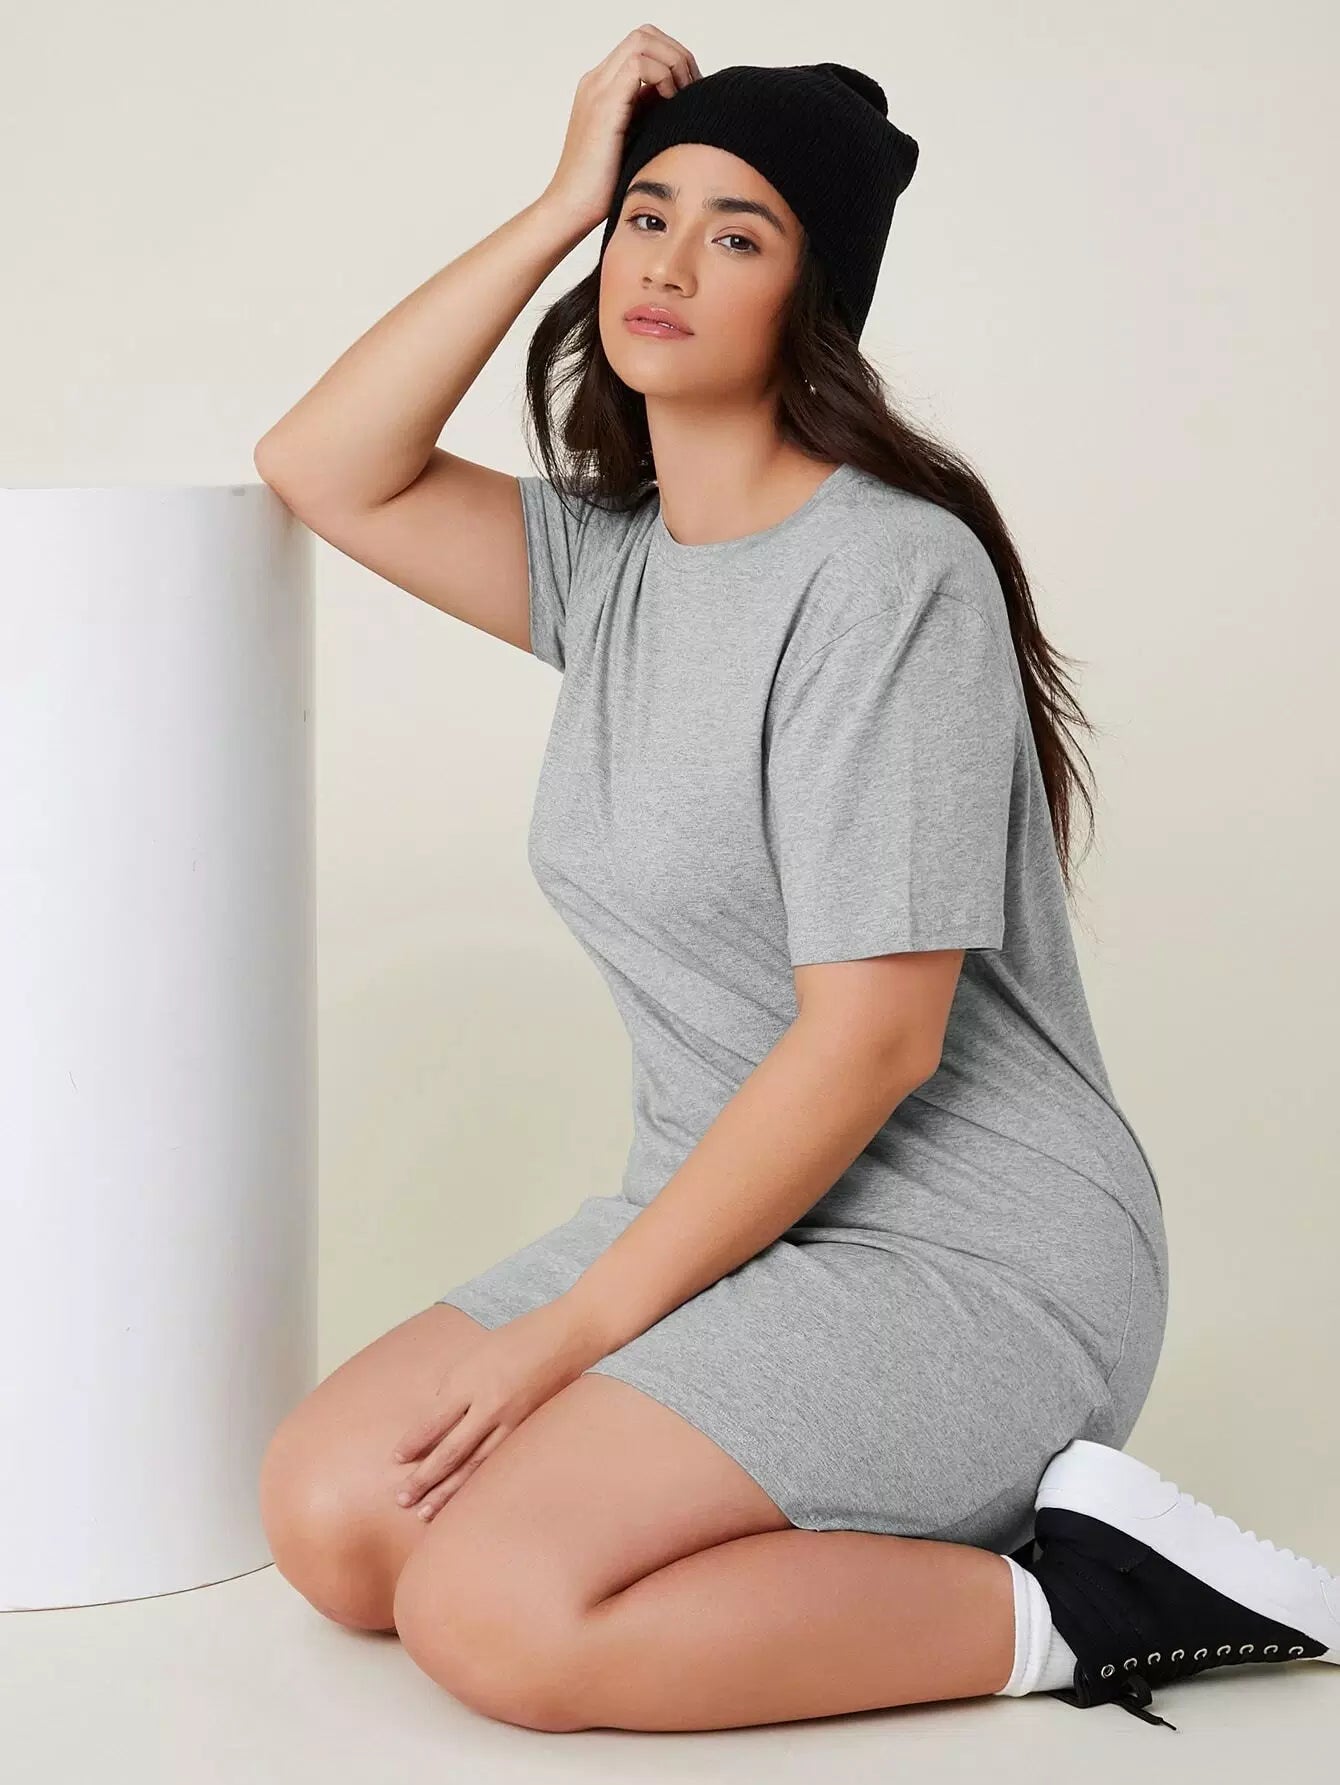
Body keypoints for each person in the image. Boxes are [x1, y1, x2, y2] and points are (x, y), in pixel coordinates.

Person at [252, 28, 1338, 1737]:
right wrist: (559, 198)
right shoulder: (612, 563)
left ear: (810, 300)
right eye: (649, 218)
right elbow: (323, 461)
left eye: (737, 233)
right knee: (335, 1515)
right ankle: (803, 1512)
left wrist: (569, 1340)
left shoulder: (890, 576)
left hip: (971, 1251)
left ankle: (1090, 1599)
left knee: (497, 1607)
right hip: (718, 1214)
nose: (668, 265)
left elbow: (873, 1045)